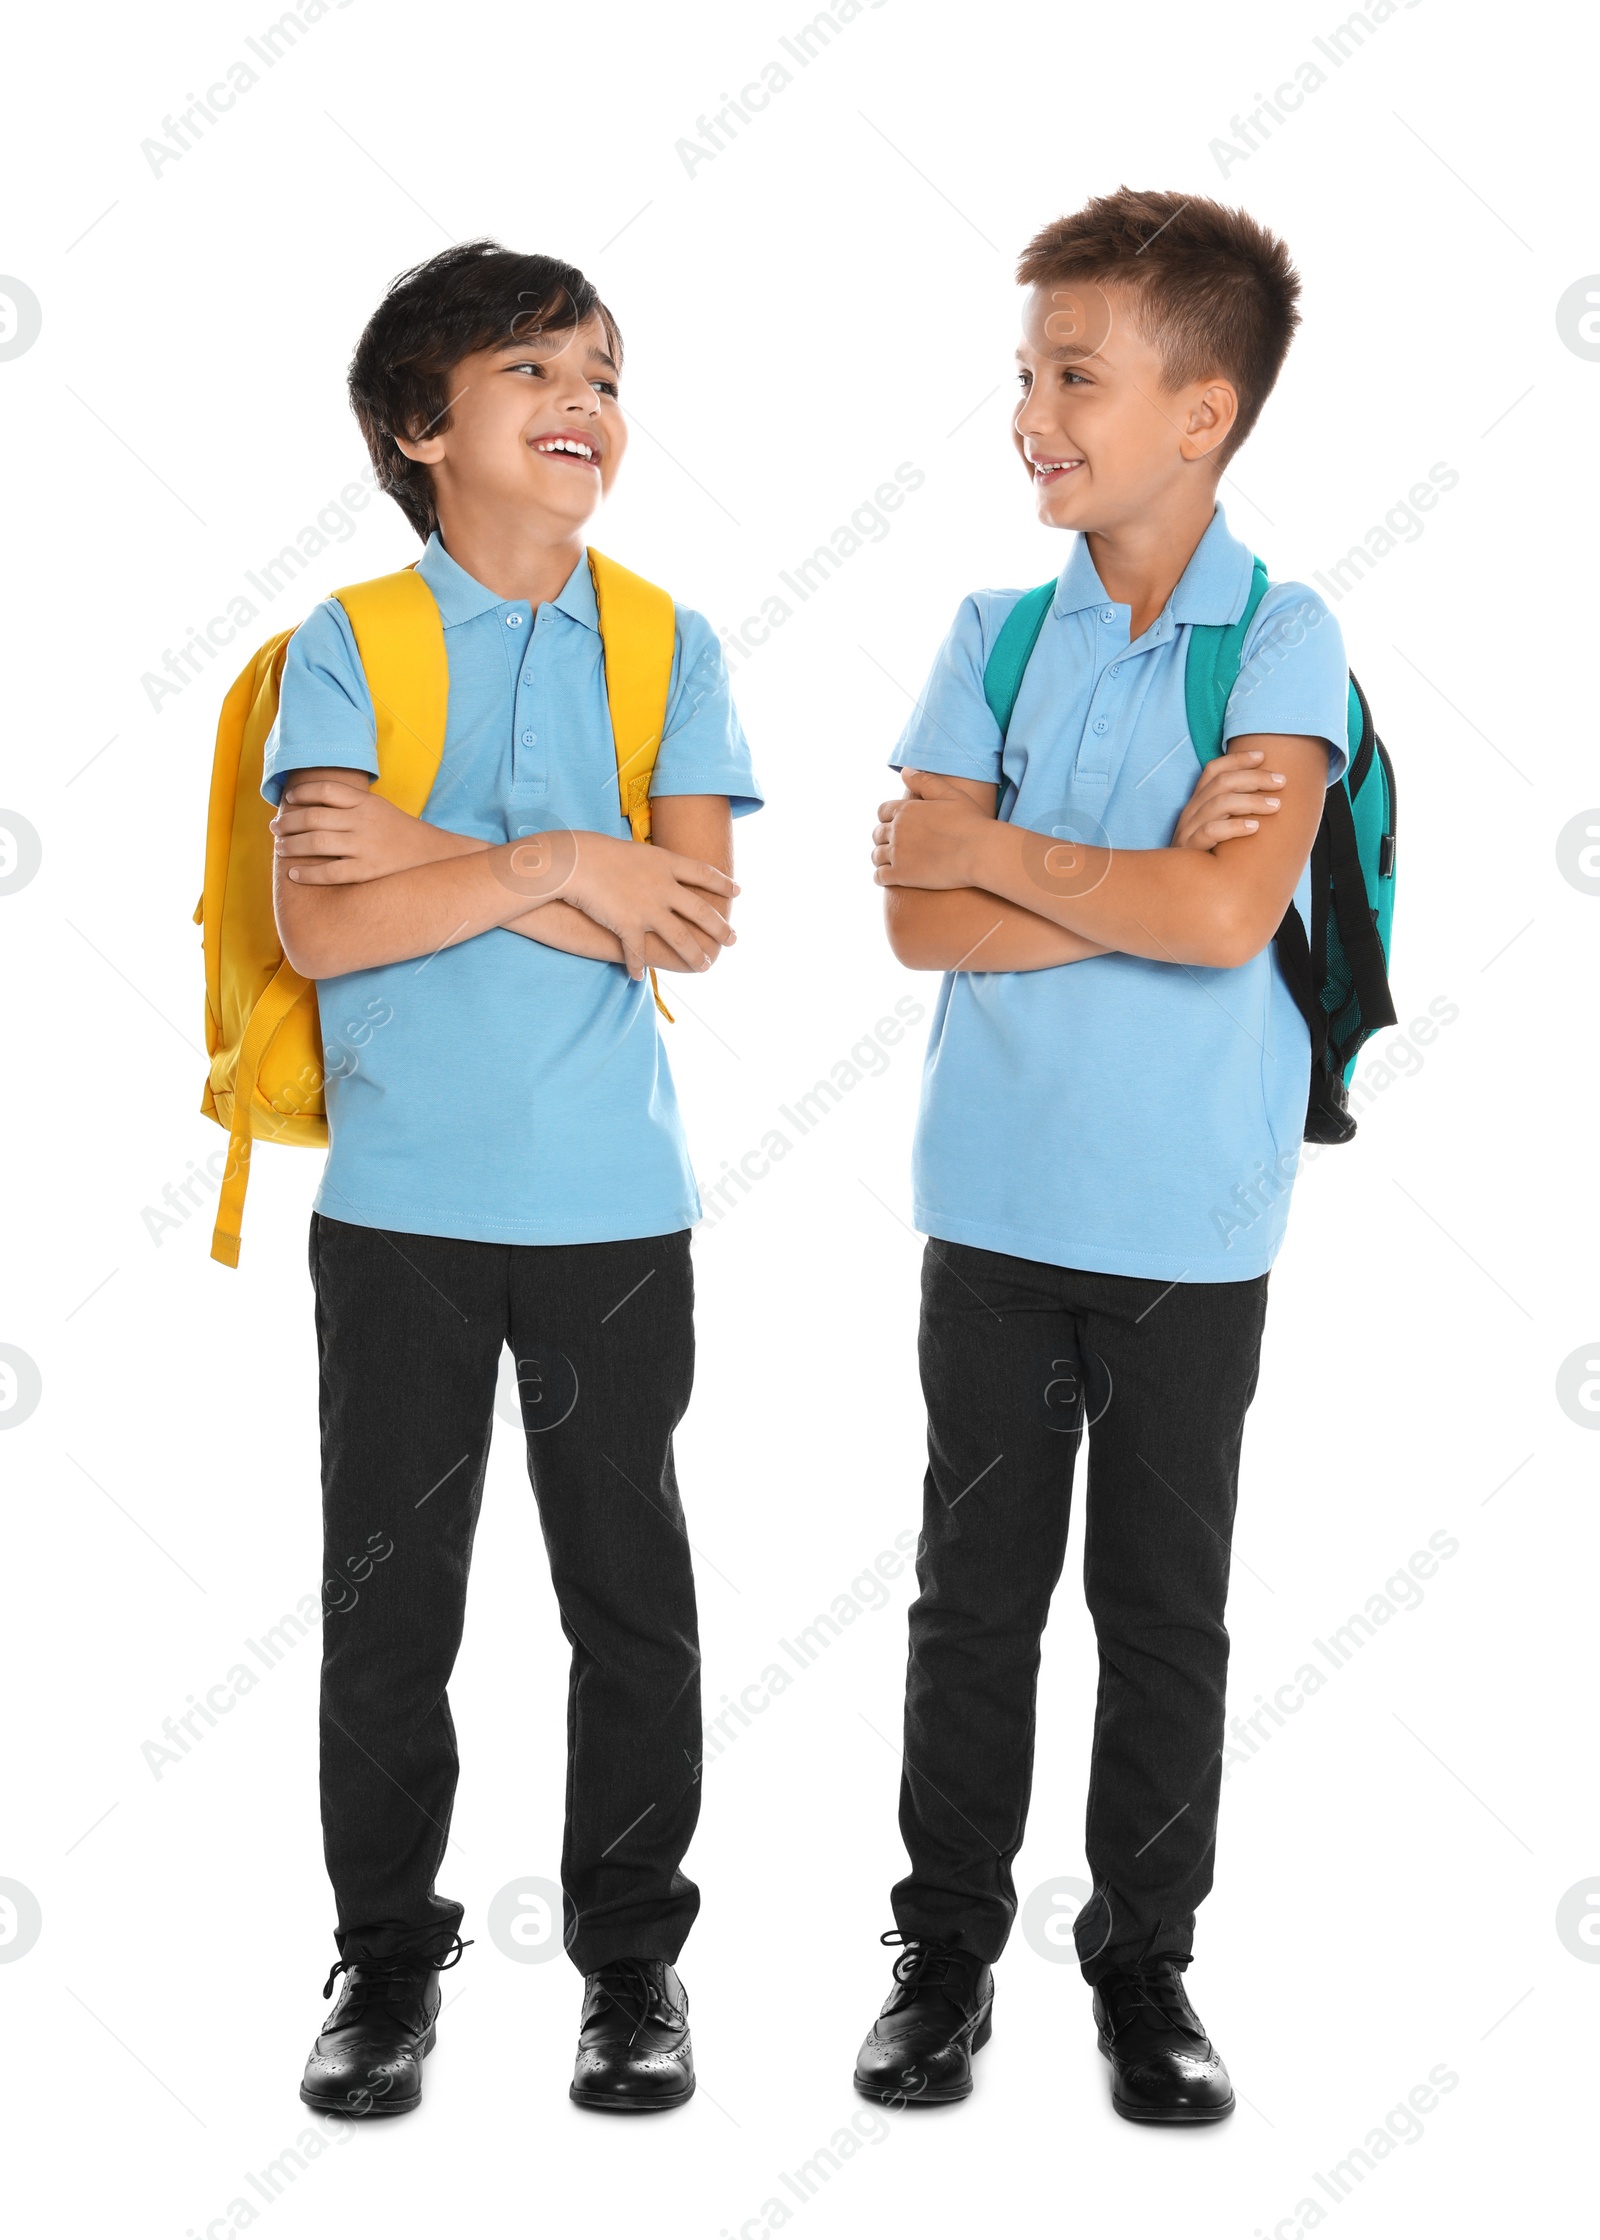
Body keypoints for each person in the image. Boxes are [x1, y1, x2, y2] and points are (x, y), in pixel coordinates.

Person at [856, 189, 1349, 2123]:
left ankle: (1145, 1968)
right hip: (989, 1205)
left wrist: (1008, 860)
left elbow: (1238, 925)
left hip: (1188, 1225)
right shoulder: (994, 628)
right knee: (972, 1595)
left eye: (1077, 374)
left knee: (1162, 1604)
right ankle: (943, 1952)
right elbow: (911, 920)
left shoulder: (1284, 634)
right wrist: (1142, 880)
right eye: (1029, 375)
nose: (1034, 413)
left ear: (1202, 411)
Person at [262, 241, 762, 2117]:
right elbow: (323, 926)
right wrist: (575, 865)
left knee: (627, 1591)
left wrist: (450, 860)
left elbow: (695, 918)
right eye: (534, 368)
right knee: (392, 1600)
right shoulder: (350, 644)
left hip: (615, 1209)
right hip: (397, 1210)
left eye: (607, 371)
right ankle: (387, 1969)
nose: (586, 399)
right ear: (419, 428)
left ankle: (632, 1967)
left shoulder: (669, 641)